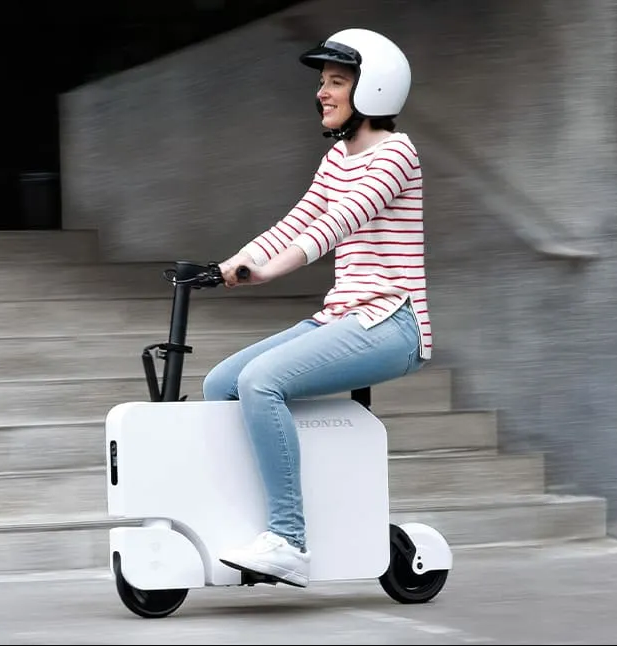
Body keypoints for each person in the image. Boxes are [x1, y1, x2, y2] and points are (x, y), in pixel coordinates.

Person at [203, 27, 431, 588]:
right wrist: (230, 264)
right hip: (342, 318)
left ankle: (289, 540)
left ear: (373, 89)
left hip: (392, 322)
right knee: (220, 384)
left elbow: (338, 223)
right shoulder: (337, 158)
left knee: (261, 381)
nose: (322, 93)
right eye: (323, 82)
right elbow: (298, 220)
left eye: (336, 82)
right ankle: (262, 523)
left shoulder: (396, 154)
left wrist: (268, 271)